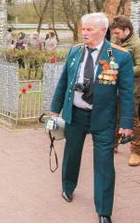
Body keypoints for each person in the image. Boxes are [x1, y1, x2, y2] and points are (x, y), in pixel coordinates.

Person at [50, 12, 134, 223]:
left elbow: (126, 92)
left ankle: (104, 211)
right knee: (71, 155)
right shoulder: (75, 51)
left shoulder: (120, 56)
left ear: (103, 31)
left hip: (103, 118)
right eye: (83, 28)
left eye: (89, 29)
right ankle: (67, 188)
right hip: (76, 115)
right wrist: (54, 110)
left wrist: (126, 123)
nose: (84, 33)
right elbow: (63, 82)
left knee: (105, 164)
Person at [109, 15, 140, 166]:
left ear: (126, 30)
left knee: (133, 119)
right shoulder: (116, 41)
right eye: (114, 33)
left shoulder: (137, 43)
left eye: (117, 33)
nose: (115, 36)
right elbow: (111, 56)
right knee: (114, 115)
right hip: (115, 87)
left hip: (133, 89)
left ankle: (136, 151)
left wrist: (123, 70)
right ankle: (113, 144)